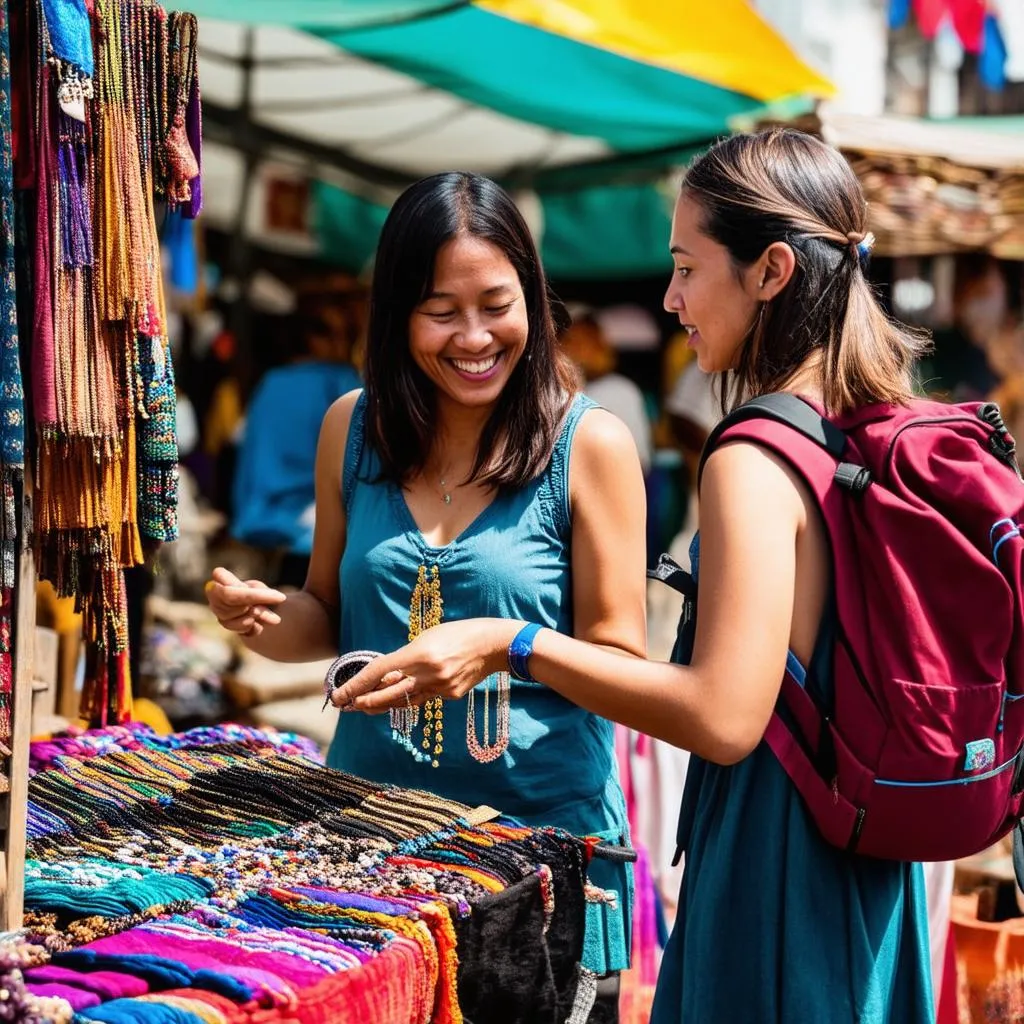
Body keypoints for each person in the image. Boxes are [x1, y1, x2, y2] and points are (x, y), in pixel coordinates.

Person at [332, 130, 935, 1023]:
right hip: (869, 849)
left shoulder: (755, 454)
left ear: (770, 271)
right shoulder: (872, 424)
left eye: (687, 267)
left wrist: (515, 643)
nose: (671, 297)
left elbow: (725, 718)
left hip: (778, 854)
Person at [204, 172, 647, 1022]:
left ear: (534, 300)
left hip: (536, 877)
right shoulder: (351, 429)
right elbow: (326, 615)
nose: (474, 336)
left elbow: (623, 666)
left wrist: (502, 641)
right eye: (441, 310)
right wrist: (267, 619)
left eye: (496, 304)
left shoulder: (590, 445)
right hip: (368, 860)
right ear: (399, 313)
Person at [229, 301, 361, 589]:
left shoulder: (270, 382)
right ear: (312, 338)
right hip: (319, 537)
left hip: (263, 528)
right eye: (337, 334)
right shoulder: (341, 382)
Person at [561, 310, 653, 474]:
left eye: (583, 342)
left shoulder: (621, 390)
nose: (573, 349)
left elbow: (639, 462)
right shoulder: (557, 391)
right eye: (569, 341)